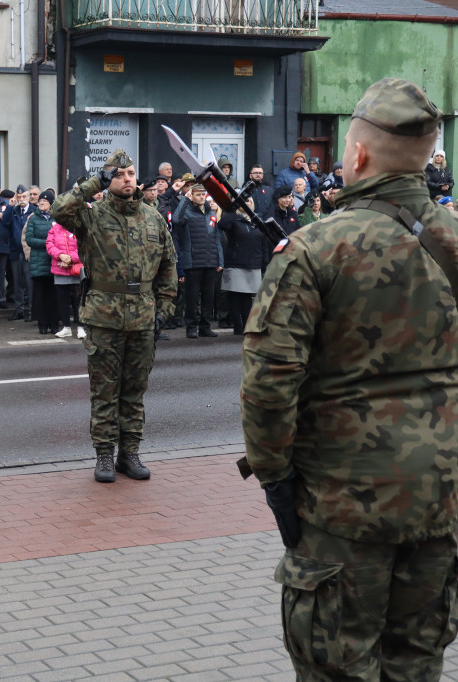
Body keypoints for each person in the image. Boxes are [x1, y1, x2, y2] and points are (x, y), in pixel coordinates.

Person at [242, 78, 458, 680]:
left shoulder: (314, 251)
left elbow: (268, 387)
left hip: (343, 510)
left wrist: (276, 478)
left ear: (358, 155)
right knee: (417, 664)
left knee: (337, 666)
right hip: (441, 502)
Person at [52, 148, 177, 483]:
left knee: (134, 392)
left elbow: (168, 267)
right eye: (119, 175)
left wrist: (163, 309)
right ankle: (104, 456)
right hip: (103, 316)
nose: (126, 179)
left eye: (131, 174)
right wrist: (94, 183)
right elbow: (59, 209)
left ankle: (129, 453)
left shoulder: (152, 217)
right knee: (105, 391)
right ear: (109, 179)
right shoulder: (92, 215)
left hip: (142, 318)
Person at [172, 184, 222, 338]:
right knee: (192, 297)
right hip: (193, 261)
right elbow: (176, 219)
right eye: (198, 194)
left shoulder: (210, 213)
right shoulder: (186, 212)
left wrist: (220, 260)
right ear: (191, 196)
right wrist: (184, 200)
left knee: (208, 296)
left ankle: (205, 326)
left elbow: (216, 238)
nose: (201, 197)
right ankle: (191, 327)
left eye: (203, 194)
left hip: (210, 260)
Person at [216, 198, 265, 335]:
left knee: (247, 296)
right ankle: (238, 326)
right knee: (235, 296)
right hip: (236, 262)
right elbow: (222, 225)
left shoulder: (256, 220)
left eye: (248, 200)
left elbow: (263, 242)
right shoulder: (233, 219)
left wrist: (263, 261)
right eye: (243, 201)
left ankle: (246, 325)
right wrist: (232, 208)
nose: (246, 203)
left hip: (253, 263)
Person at [25, 190, 59, 334]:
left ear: (51, 204)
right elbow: (29, 239)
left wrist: (54, 246)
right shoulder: (32, 218)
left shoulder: (56, 218)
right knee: (40, 296)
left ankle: (54, 325)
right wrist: (48, 243)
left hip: (54, 261)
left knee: (53, 295)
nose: (42, 203)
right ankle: (42, 325)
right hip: (39, 262)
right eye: (40, 201)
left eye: (45, 201)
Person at [46, 220, 84, 339]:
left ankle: (81, 327)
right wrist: (61, 256)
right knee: (62, 300)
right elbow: (49, 244)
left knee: (79, 300)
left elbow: (84, 245)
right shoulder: (54, 228)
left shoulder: (80, 226)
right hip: (59, 268)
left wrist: (71, 258)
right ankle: (66, 327)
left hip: (77, 269)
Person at [1, 184, 33, 320]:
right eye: (19, 197)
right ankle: (19, 310)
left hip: (28, 251)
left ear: (29, 197)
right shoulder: (13, 210)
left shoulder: (33, 210)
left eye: (24, 196)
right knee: (17, 282)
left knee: (29, 282)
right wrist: (9, 206)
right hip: (15, 251)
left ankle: (32, 311)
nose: (21, 199)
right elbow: (5, 222)